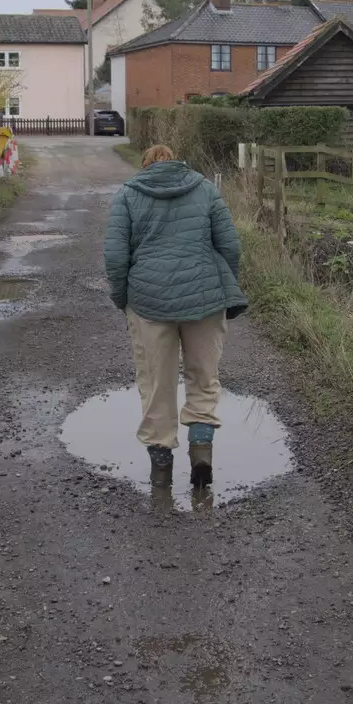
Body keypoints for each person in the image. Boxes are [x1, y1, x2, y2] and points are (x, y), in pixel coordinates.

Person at [103, 144, 247, 496]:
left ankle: (161, 468)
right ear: (178, 162)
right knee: (203, 377)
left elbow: (115, 257)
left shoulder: (127, 195)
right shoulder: (205, 188)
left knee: (156, 384)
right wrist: (224, 284)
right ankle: (201, 457)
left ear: (146, 166)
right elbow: (230, 246)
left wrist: (124, 299)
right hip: (205, 299)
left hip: (148, 302)